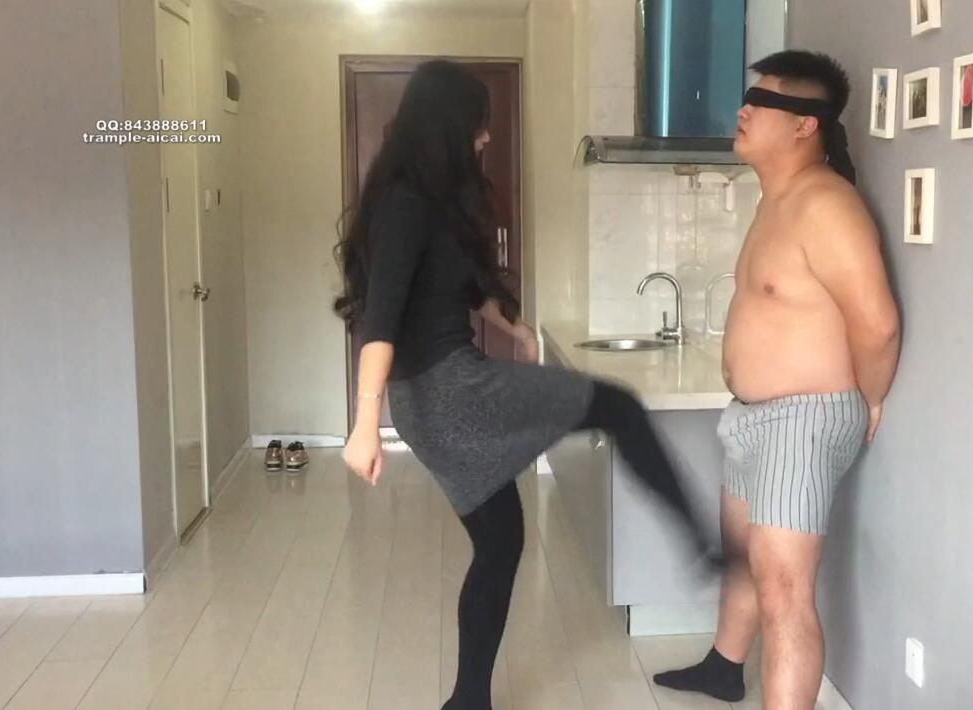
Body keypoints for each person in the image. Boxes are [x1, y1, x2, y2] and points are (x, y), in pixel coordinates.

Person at [335, 60, 722, 710]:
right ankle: (702, 546)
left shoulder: (425, 199)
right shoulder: (405, 204)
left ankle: (468, 701)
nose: (486, 137)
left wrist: (513, 328)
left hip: (434, 397)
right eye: (479, 125)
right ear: (451, 126)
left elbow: (459, 288)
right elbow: (382, 319)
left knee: (500, 541)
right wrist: (363, 425)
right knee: (619, 406)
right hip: (449, 394)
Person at [653, 51, 901, 710]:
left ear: (804, 125)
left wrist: (872, 398)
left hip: (801, 418)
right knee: (744, 557)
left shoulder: (826, 205)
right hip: (752, 417)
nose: (743, 110)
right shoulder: (778, 201)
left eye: (760, 102)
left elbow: (877, 324)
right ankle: (722, 667)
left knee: (784, 590)